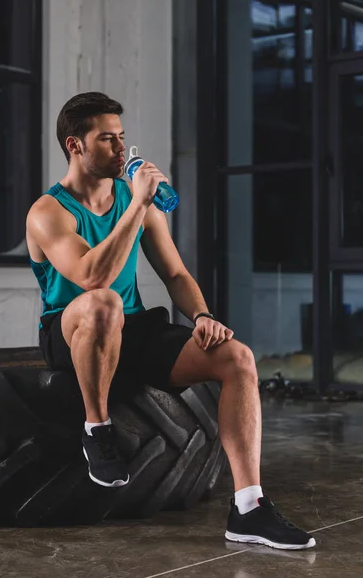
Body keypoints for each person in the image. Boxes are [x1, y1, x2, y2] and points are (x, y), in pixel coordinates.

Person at [26, 91, 315, 550]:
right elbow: (90, 277)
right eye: (106, 139)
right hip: (71, 328)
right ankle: (97, 431)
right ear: (74, 145)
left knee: (237, 358)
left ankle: (249, 508)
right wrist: (138, 205)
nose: (121, 149)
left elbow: (176, 272)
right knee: (104, 304)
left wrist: (202, 315)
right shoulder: (49, 211)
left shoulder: (133, 199)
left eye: (122, 137)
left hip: (132, 327)